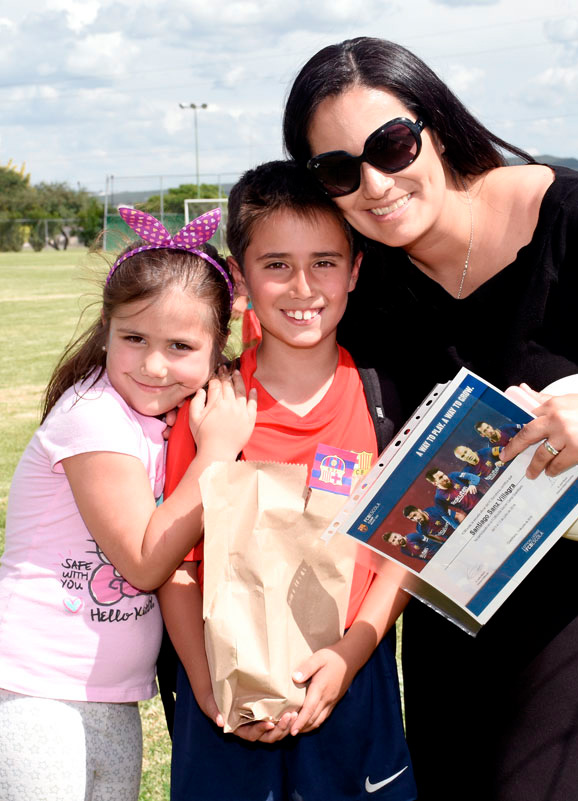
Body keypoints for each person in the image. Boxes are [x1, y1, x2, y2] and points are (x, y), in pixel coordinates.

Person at [284, 37, 578, 801]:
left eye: (391, 144)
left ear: (434, 127)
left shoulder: (573, 218)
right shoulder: (367, 282)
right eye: (339, 169)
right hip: (467, 581)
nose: (375, 183)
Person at [0, 207, 257, 801]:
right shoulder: (91, 415)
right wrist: (218, 452)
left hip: (111, 695)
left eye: (180, 346)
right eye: (134, 339)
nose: (153, 364)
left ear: (215, 347)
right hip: (30, 689)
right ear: (106, 329)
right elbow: (145, 562)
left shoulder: (171, 418)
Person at [157, 161, 415, 801]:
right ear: (240, 275)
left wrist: (351, 654)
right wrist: (210, 685)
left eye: (325, 262)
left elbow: (406, 547)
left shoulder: (386, 400)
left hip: (355, 679)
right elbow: (178, 565)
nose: (303, 286)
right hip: (222, 684)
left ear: (356, 269)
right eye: (276, 265)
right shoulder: (211, 405)